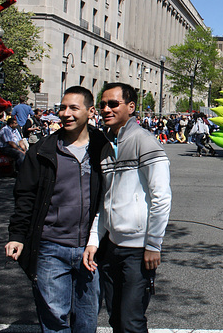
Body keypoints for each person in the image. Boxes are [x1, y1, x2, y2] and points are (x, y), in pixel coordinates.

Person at [5, 86, 108, 333]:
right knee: (54, 319)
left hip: (90, 248)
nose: (66, 113)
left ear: (90, 111)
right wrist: (17, 236)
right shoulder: (42, 150)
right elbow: (25, 197)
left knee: (86, 318)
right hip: (50, 247)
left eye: (74, 108)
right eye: (62, 108)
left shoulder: (105, 149)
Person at [83, 82, 171, 333]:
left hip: (138, 250)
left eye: (113, 104)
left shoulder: (145, 141)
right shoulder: (105, 148)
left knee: (131, 321)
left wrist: (153, 244)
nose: (106, 109)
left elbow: (161, 197)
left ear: (131, 107)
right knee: (115, 319)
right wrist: (94, 240)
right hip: (111, 248)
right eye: (102, 105)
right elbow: (105, 200)